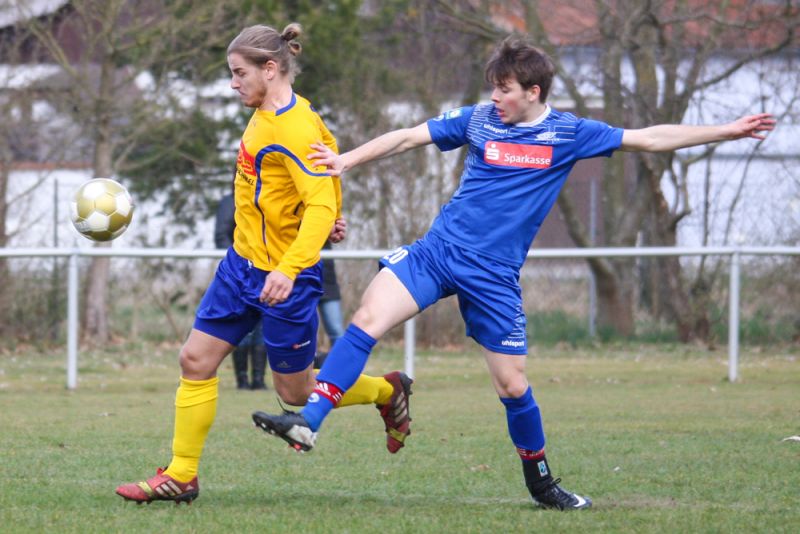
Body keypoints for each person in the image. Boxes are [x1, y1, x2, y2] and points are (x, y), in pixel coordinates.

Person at [253, 35, 775, 511]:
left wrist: (727, 130)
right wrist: (346, 160)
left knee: (512, 385)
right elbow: (409, 136)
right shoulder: (480, 120)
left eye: (503, 89)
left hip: (494, 276)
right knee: (367, 318)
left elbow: (651, 138)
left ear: (533, 91)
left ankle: (542, 484)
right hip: (438, 252)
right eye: (493, 88)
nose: (495, 97)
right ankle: (308, 422)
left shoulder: (569, 133)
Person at [115, 22, 413, 505]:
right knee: (194, 360)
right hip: (241, 266)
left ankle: (386, 391)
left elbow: (319, 199)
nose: (233, 83)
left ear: (270, 69)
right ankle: (181, 475)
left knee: (295, 392)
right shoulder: (267, 113)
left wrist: (294, 261)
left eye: (239, 73)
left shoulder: (294, 127)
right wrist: (330, 215)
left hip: (285, 279)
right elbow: (327, 169)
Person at [214, 192, 268, 390]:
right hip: (241, 271)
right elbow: (221, 235)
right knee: (243, 324)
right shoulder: (231, 201)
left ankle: (259, 379)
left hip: (267, 269)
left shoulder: (271, 197)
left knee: (262, 326)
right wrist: (238, 262)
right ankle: (242, 379)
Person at [314, 239, 345, 369]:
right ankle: (306, 370)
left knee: (336, 331)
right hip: (301, 282)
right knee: (304, 332)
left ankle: (342, 369)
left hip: (328, 282)